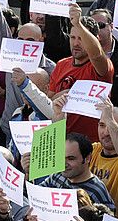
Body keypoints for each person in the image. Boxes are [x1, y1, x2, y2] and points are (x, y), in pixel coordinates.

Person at [48, 9, 112, 139]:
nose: (76, 43)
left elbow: (96, 54)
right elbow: (49, 100)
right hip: (63, 140)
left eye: (81, 38)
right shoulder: (61, 65)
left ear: (95, 39)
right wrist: (64, 95)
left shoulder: (101, 66)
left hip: (91, 143)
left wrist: (78, 24)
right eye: (73, 37)